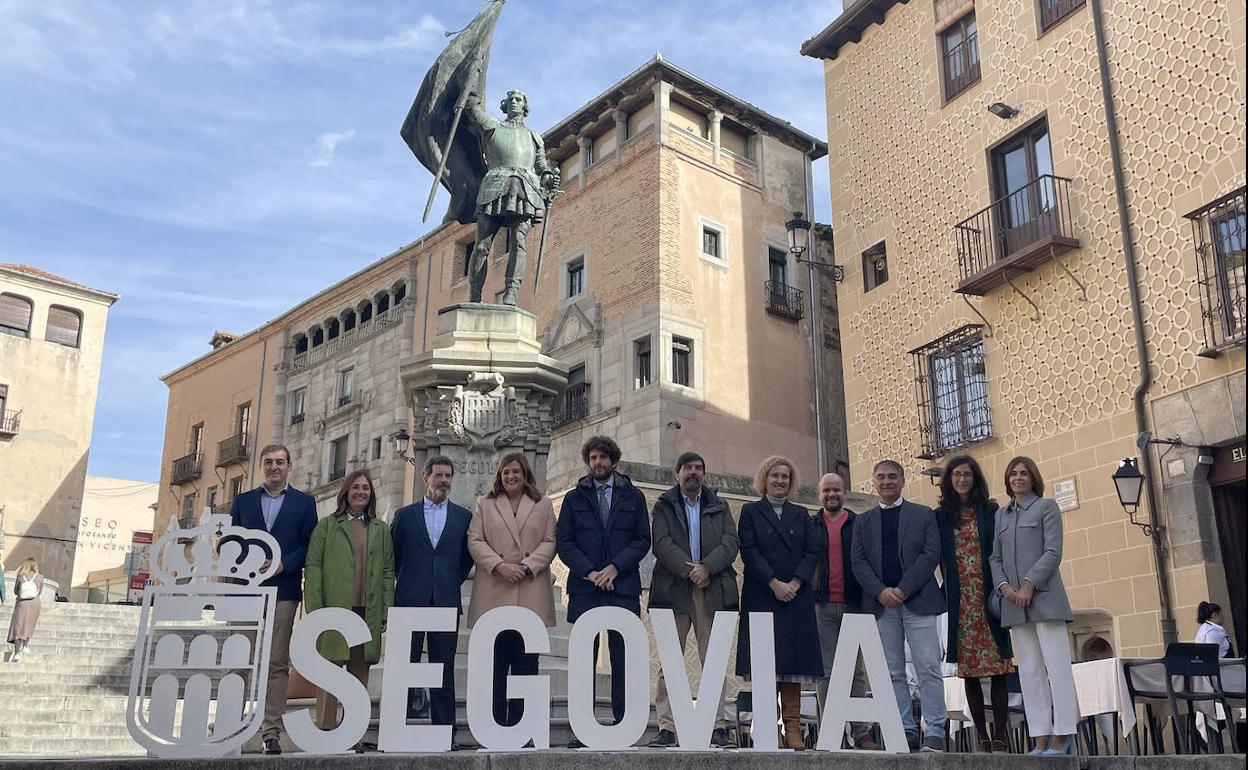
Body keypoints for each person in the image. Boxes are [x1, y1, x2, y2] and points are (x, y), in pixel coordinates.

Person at [555, 436, 651, 746]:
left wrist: (614, 569)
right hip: (586, 588)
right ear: (588, 462)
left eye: (603, 458)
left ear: (614, 461)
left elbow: (641, 540)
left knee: (624, 657)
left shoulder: (633, 497)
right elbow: (565, 542)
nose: (598, 463)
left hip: (621, 586)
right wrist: (591, 572)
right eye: (593, 458)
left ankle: (624, 723)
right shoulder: (573, 498)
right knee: (585, 657)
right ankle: (583, 729)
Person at [850, 459, 947, 753]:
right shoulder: (862, 521)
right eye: (881, 477)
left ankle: (935, 730)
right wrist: (881, 591)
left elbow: (930, 554)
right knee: (892, 672)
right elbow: (858, 561)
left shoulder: (923, 515)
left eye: (892, 476)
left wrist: (903, 589)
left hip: (918, 602)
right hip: (883, 606)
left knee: (928, 667)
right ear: (874, 483)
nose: (886, 481)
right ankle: (904, 729)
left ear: (903, 481)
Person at [228, 444, 318, 755]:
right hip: (245, 591)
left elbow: (309, 546)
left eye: (279, 462)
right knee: (239, 658)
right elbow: (230, 543)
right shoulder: (243, 502)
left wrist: (283, 564)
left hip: (283, 590)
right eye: (268, 462)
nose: (274, 467)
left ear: (289, 466)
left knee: (277, 662)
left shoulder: (305, 504)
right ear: (262, 466)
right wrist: (245, 562)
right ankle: (230, 725)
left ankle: (271, 731)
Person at [648, 451, 740, 748]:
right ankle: (668, 727)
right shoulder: (664, 505)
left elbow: (730, 542)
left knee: (712, 659)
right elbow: (661, 543)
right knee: (669, 661)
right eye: (688, 467)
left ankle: (717, 727)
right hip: (673, 589)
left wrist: (708, 567)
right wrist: (690, 571)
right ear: (678, 474)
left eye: (699, 468)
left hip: (711, 589)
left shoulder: (719, 505)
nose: (694, 472)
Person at [989, 456, 1077, 756]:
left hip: (1045, 599)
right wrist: (1004, 588)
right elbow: (995, 558)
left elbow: (1053, 551)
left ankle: (1064, 735)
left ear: (1033, 477)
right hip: (1014, 604)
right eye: (1013, 473)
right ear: (1007, 480)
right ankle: (1040, 736)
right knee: (1029, 672)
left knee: (1057, 668)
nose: (1018, 478)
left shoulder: (1046, 507)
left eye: (1024, 473)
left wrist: (1028, 584)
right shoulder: (1002, 515)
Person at [736, 456, 823, 750]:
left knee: (792, 662)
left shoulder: (802, 514)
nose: (780, 481)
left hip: (795, 596)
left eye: (785, 476)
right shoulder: (750, 512)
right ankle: (769, 729)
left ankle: (794, 728)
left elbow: (812, 552)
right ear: (765, 478)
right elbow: (748, 550)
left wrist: (795, 583)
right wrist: (774, 583)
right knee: (765, 664)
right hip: (763, 593)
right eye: (775, 476)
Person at [303, 470, 395, 746]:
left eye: (366, 488)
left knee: (359, 674)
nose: (361, 492)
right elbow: (313, 566)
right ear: (346, 492)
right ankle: (326, 729)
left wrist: (386, 610)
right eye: (355, 487)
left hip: (366, 613)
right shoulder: (327, 526)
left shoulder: (380, 530)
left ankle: (353, 732)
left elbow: (388, 572)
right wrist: (315, 609)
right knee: (330, 671)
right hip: (334, 611)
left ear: (371, 494)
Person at [466, 453, 558, 728]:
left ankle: (522, 724)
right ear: (499, 475)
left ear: (525, 474)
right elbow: (475, 539)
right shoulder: (486, 504)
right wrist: (499, 565)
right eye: (506, 472)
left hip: (529, 588)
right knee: (495, 663)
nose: (511, 476)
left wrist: (528, 566)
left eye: (515, 471)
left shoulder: (543, 505)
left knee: (526, 662)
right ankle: (495, 724)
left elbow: (550, 540)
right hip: (495, 587)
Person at [390, 456, 473, 737]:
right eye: (438, 475)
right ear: (426, 478)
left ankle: (444, 730)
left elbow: (465, 561)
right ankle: (398, 728)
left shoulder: (464, 517)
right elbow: (394, 557)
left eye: (448, 476)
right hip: (410, 601)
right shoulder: (404, 515)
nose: (443, 481)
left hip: (446, 602)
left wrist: (446, 582)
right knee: (405, 666)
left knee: (443, 669)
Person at [935, 455, 1013, 753]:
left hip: (989, 598)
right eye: (956, 475)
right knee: (969, 672)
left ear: (974, 478)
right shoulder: (941, 515)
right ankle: (981, 734)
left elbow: (1002, 549)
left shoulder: (990, 510)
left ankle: (1001, 735)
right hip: (961, 601)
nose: (962, 479)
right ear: (949, 480)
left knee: (999, 670)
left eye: (967, 474)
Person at [462, 89, 560, 304]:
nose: (515, 102)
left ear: (525, 107)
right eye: (511, 100)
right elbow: (472, 110)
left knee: (519, 242)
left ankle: (511, 292)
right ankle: (475, 294)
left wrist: (548, 177)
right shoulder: (492, 126)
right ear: (504, 105)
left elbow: (541, 165)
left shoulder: (534, 137)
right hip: (495, 186)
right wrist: (470, 81)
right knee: (481, 246)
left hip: (525, 189)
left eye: (519, 100)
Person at [811, 472, 876, 749]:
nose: (832, 494)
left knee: (857, 672)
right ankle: (833, 731)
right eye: (827, 490)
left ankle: (860, 732)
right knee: (826, 671)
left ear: (844, 493)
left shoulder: (860, 524)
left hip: (855, 604)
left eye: (836, 489)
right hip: (821, 604)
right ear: (819, 494)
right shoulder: (810, 525)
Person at [7, 558, 42, 663]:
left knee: (19, 626)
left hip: (22, 603)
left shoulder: (20, 576)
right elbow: (39, 592)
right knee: (30, 624)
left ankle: (17, 653)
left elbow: (16, 591)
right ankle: (25, 646)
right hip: (35, 603)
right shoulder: (40, 577)